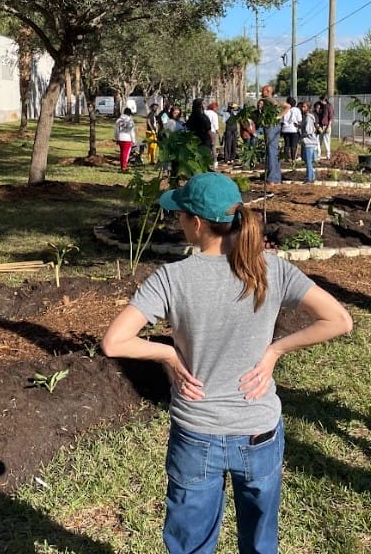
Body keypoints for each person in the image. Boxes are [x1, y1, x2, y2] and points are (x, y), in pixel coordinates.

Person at [101, 172, 352, 553]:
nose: (179, 222)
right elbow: (340, 320)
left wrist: (168, 352)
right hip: (259, 431)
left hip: (195, 432)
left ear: (196, 223)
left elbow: (114, 342)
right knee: (260, 542)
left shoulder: (171, 279)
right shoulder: (271, 268)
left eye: (181, 214)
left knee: (191, 545)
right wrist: (274, 351)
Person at [260, 85, 282, 185]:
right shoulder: (273, 100)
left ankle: (272, 178)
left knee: (271, 152)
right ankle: (276, 177)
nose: (261, 92)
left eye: (263, 90)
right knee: (274, 151)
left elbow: (284, 106)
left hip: (270, 127)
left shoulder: (267, 100)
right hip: (275, 126)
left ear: (268, 91)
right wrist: (279, 117)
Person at [299, 100, 319, 183]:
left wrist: (302, 134)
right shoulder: (305, 116)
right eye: (302, 106)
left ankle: (310, 178)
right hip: (306, 142)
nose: (302, 108)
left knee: (308, 161)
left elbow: (309, 130)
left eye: (304, 107)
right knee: (307, 161)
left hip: (309, 143)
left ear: (308, 107)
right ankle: (311, 176)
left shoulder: (308, 117)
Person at [280, 96, 301, 163]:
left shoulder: (285, 109)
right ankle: (293, 158)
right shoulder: (296, 110)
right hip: (293, 129)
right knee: (293, 145)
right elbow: (299, 119)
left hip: (285, 129)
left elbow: (282, 120)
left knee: (287, 144)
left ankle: (286, 158)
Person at [115, 107, 136, 172]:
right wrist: (133, 140)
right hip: (127, 139)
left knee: (122, 153)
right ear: (129, 114)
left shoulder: (118, 120)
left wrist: (117, 138)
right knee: (126, 154)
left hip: (120, 138)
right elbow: (131, 132)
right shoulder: (130, 121)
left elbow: (116, 130)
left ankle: (122, 166)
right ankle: (124, 167)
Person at [316, 95, 334, 160]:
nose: (320, 101)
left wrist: (329, 126)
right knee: (318, 140)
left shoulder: (329, 107)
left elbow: (331, 117)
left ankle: (328, 154)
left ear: (324, 100)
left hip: (326, 126)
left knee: (327, 140)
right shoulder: (321, 107)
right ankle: (318, 154)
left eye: (321, 100)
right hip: (321, 126)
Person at [204, 101, 221, 165]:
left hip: (204, 132)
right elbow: (215, 125)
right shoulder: (214, 114)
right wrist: (219, 134)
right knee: (213, 146)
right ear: (214, 108)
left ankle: (206, 160)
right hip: (212, 132)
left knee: (206, 146)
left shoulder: (204, 112)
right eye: (216, 108)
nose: (217, 109)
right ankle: (215, 161)